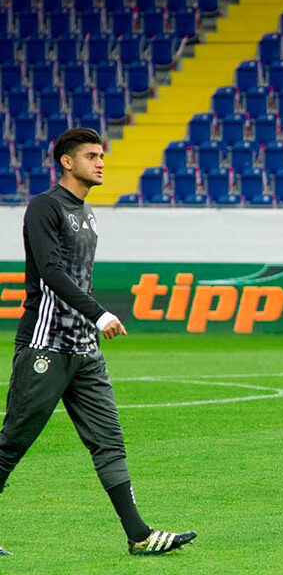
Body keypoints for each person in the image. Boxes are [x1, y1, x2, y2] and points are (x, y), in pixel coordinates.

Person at [0, 128, 196, 556]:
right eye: (91, 155)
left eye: (102, 155)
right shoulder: (44, 207)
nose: (101, 161)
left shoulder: (87, 213)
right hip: (46, 345)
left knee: (109, 441)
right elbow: (51, 274)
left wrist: (91, 324)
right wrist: (100, 313)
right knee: (14, 440)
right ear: (66, 162)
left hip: (85, 350)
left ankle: (139, 535)